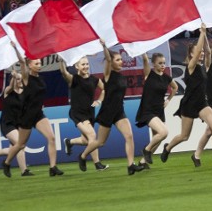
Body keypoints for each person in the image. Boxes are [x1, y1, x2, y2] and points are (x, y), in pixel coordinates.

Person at [160, 25, 212, 167]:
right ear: (192, 55)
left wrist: (204, 36)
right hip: (189, 104)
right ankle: (167, 147)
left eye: (203, 52)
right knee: (184, 136)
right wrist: (201, 33)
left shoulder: (203, 67)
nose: (202, 53)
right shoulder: (190, 66)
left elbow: (207, 52)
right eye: (199, 52)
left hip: (202, 104)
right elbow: (198, 50)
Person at [0, 47, 62, 177]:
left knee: (52, 138)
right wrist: (16, 48)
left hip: (38, 114)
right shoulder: (26, 77)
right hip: (26, 116)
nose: (39, 66)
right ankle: (6, 162)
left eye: (40, 63)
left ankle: (53, 167)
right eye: (37, 64)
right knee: (20, 145)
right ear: (30, 65)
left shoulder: (40, 78)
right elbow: (22, 62)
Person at [96, 42, 142, 175]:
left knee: (129, 136)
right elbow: (108, 59)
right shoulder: (107, 75)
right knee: (100, 142)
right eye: (118, 60)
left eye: (121, 59)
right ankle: (83, 155)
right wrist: (105, 47)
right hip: (107, 112)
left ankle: (130, 165)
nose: (121, 61)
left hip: (119, 111)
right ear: (111, 63)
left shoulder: (121, 76)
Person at [60, 56, 109, 172]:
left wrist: (99, 100)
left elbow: (104, 89)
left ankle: (69, 142)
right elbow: (63, 72)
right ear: (77, 66)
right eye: (83, 64)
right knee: (92, 136)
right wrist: (61, 59)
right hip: (78, 113)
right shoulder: (74, 79)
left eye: (87, 64)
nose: (86, 66)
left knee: (87, 141)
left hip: (90, 113)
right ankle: (96, 163)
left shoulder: (94, 79)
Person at [135, 51, 178, 165]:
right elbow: (145, 60)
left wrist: (168, 100)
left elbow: (175, 87)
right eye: (160, 63)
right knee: (163, 132)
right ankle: (146, 150)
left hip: (159, 110)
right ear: (153, 64)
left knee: (158, 137)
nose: (163, 65)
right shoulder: (149, 74)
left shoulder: (166, 77)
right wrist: (143, 51)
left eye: (164, 63)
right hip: (148, 110)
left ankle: (143, 162)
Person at [0, 70, 32, 176]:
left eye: (21, 79)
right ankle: (22, 170)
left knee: (15, 148)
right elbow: (12, 87)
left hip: (19, 124)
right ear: (12, 80)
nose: (20, 81)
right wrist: (13, 76)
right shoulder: (8, 91)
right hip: (7, 123)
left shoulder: (25, 92)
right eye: (17, 79)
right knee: (20, 144)